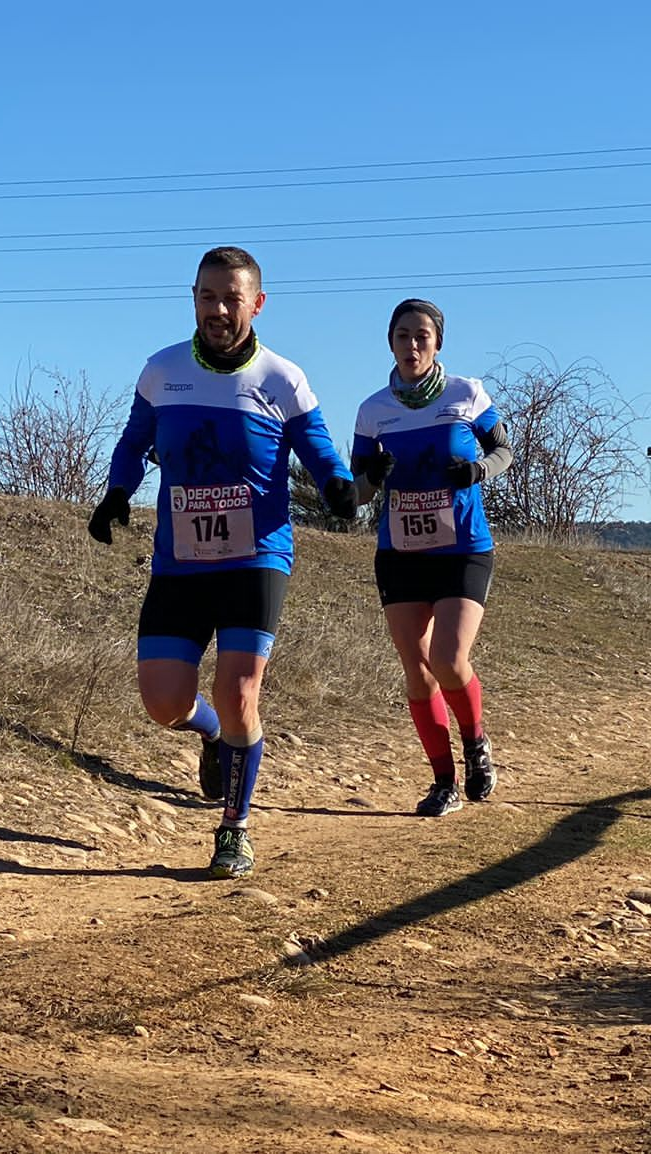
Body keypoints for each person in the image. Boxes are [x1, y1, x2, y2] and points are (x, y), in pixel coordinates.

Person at [88, 246, 356, 879]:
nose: (218, 309)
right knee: (163, 703)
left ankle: (234, 828)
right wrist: (116, 494)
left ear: (256, 304)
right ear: (194, 299)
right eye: (207, 296)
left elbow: (318, 450)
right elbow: (134, 441)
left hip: (256, 558)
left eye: (231, 298)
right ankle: (211, 736)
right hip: (180, 562)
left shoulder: (281, 379)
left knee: (238, 694)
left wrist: (340, 486)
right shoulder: (162, 371)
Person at [351, 299, 512, 817]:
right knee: (417, 673)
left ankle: (476, 742)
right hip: (400, 553)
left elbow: (504, 451)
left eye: (422, 335)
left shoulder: (468, 394)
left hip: (463, 547)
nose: (412, 344)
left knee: (448, 659)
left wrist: (479, 470)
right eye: (403, 335)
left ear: (437, 342)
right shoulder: (373, 410)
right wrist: (371, 476)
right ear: (391, 342)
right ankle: (443, 781)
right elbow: (356, 491)